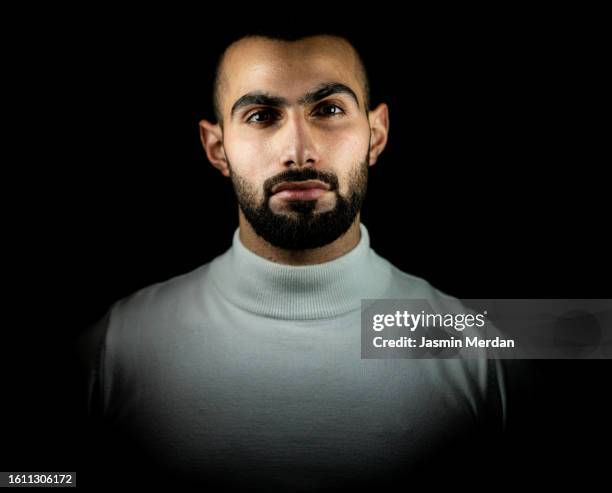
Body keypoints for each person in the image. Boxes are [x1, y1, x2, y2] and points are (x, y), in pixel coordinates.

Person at [77, 30, 507, 491]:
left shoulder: (478, 350)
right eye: (261, 116)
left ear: (376, 135)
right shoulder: (118, 344)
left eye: (329, 110)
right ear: (217, 148)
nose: (298, 152)